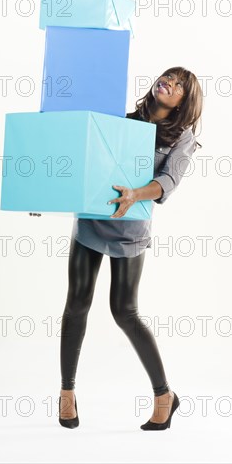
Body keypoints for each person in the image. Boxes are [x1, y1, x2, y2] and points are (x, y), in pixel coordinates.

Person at [31, 66, 203, 430]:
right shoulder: (122, 118)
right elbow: (84, 159)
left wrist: (135, 195)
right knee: (76, 304)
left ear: (183, 102)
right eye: (168, 76)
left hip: (130, 230)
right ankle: (66, 394)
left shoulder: (183, 138)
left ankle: (164, 396)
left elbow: (168, 180)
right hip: (92, 221)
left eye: (178, 85)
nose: (168, 82)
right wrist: (42, 191)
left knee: (124, 312)